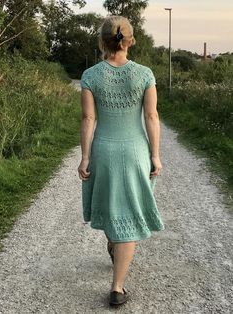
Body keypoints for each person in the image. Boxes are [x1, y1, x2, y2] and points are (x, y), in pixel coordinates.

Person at [77, 15, 165, 307]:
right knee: (128, 211)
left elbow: (88, 118)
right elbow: (152, 117)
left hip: (104, 151)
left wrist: (85, 157)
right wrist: (155, 155)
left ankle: (114, 243)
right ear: (130, 40)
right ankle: (117, 287)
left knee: (113, 207)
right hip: (135, 153)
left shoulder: (90, 75)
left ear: (102, 40)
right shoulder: (144, 74)